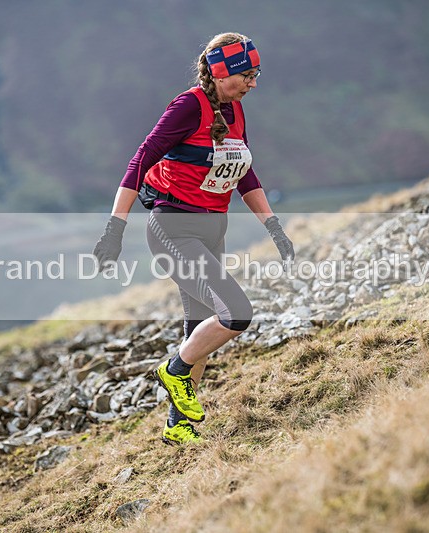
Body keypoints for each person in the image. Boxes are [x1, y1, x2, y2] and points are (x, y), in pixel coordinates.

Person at [92, 32, 294, 445]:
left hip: (210, 229)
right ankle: (173, 370)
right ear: (222, 74)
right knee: (236, 313)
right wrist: (115, 228)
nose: (254, 83)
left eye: (257, 74)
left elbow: (245, 172)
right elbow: (141, 158)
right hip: (174, 228)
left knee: (198, 327)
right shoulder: (189, 106)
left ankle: (177, 426)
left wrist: (273, 227)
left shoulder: (235, 110)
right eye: (248, 74)